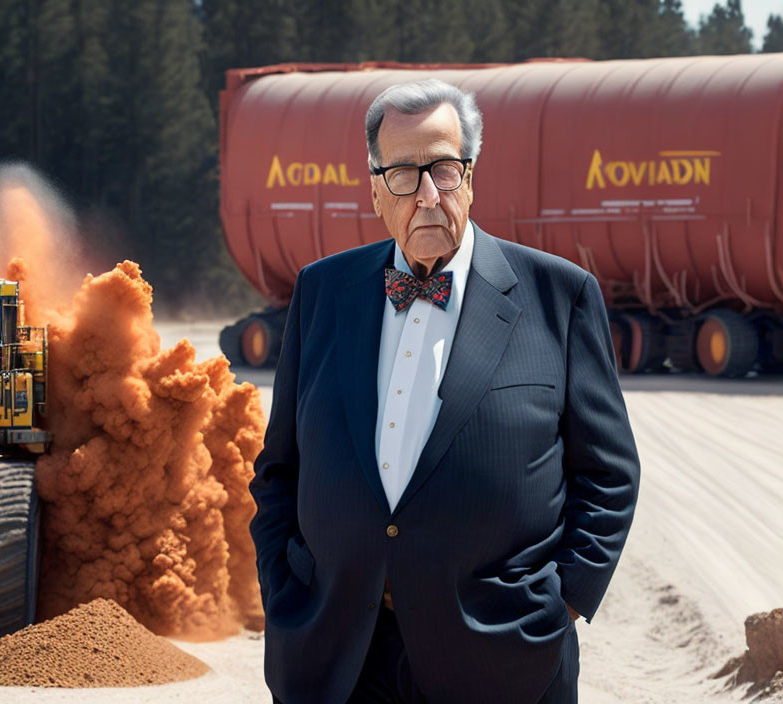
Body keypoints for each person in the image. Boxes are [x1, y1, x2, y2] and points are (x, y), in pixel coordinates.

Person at [249, 79, 640, 704]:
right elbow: (279, 472)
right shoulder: (322, 292)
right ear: (375, 187)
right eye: (404, 173)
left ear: (472, 176)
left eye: (445, 170)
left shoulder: (559, 296)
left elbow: (609, 474)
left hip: (500, 656)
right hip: (335, 655)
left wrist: (561, 606)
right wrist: (283, 590)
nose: (428, 194)